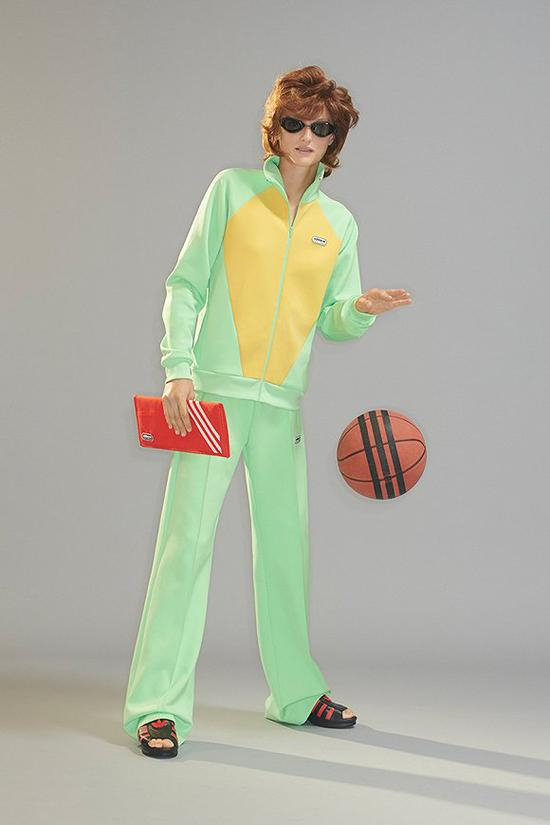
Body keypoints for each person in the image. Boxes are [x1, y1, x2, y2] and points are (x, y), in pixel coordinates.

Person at [123, 65, 412, 758]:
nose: (306, 135)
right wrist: (179, 367)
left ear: (335, 138)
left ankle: (295, 695)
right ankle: (157, 706)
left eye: (321, 126)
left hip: (281, 404)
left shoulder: (339, 223)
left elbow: (334, 320)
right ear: (274, 129)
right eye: (294, 122)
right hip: (212, 399)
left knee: (287, 551)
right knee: (185, 548)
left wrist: (361, 308)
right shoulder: (230, 190)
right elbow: (186, 283)